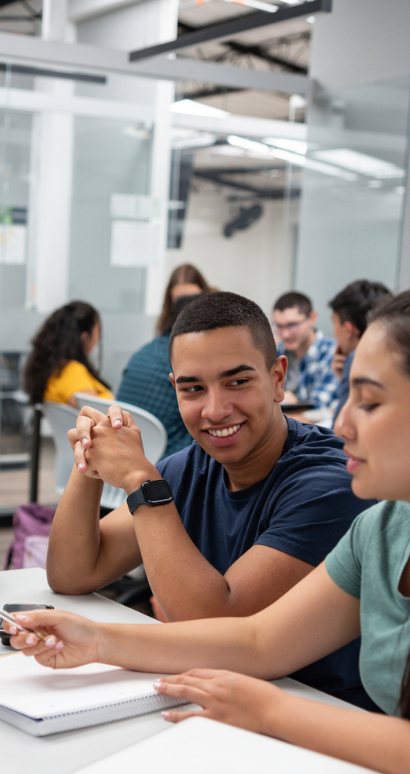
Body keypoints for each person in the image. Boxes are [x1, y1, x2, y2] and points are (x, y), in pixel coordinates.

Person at [13, 284, 410, 774]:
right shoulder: (388, 526)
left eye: (369, 402)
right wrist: (97, 640)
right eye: (347, 394)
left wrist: (268, 710)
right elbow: (259, 640)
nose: (343, 423)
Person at [45, 292, 374, 706]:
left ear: (277, 378)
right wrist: (90, 455)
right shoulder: (190, 466)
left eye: (237, 382)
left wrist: (139, 478)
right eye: (194, 389)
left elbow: (219, 626)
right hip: (222, 702)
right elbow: (71, 573)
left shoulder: (329, 481)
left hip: (321, 711)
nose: (215, 409)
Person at [117, 263, 211, 457]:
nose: (189, 307)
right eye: (182, 301)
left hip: (129, 455)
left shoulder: (145, 352)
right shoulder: (183, 360)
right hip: (164, 458)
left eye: (195, 300)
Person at [22, 300, 112, 408]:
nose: (99, 337)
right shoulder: (71, 372)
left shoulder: (54, 371)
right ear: (85, 336)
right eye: (98, 330)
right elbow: (95, 413)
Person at [328, 279, 392, 422]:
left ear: (348, 329)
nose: (335, 332)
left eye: (335, 323)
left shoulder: (355, 360)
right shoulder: (394, 356)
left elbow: (337, 434)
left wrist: (348, 376)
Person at [272, 291, 338, 422]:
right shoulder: (277, 352)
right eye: (279, 326)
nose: (285, 334)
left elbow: (320, 409)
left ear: (312, 318)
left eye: (292, 325)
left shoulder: (333, 354)